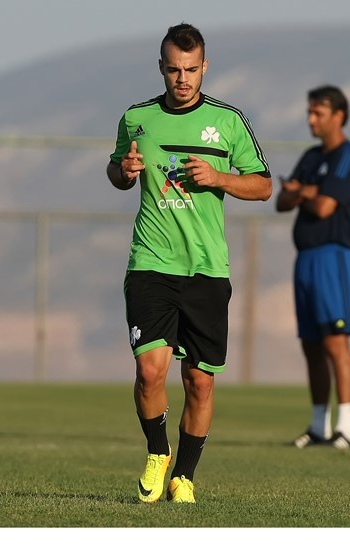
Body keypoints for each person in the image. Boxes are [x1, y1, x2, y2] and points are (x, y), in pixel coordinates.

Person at [106, 22, 272, 504]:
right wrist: (125, 171)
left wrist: (219, 177)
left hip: (206, 269)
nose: (182, 78)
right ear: (161, 68)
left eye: (191, 70)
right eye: (174, 70)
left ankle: (185, 476)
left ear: (205, 67)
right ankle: (157, 451)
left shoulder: (228, 122)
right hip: (151, 263)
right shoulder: (137, 118)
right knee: (149, 372)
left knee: (199, 382)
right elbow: (116, 170)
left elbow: (263, 186)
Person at [275, 84, 350, 450]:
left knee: (334, 341)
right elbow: (282, 200)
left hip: (332, 257)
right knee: (311, 344)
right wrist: (305, 192)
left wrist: (305, 193)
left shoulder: (348, 155)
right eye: (309, 112)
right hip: (305, 258)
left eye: (318, 113)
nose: (311, 120)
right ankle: (318, 426)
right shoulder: (311, 157)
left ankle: (346, 427)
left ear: (337, 116)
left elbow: (327, 206)